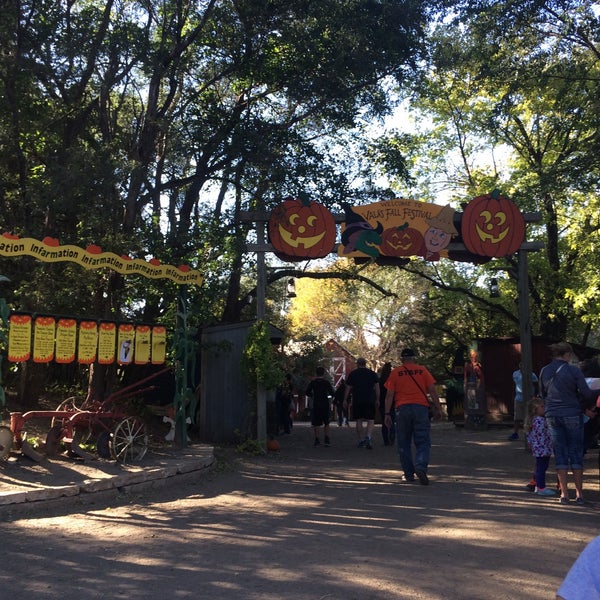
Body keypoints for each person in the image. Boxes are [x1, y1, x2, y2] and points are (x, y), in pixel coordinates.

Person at [539, 341, 600, 505]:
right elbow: (586, 394)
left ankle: (564, 494)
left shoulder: (544, 371)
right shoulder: (574, 370)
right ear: (567, 355)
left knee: (560, 453)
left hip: (552, 415)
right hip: (572, 414)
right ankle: (579, 495)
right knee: (575, 453)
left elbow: (542, 394)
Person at [383, 348, 443, 485]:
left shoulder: (395, 373)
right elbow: (432, 390)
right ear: (414, 358)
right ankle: (421, 466)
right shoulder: (422, 370)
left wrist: (387, 413)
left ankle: (409, 474)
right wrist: (438, 408)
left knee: (403, 442)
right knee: (423, 440)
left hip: (402, 409)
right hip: (420, 408)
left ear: (402, 359)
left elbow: (389, 395)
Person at [343, 357, 379, 449]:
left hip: (358, 399)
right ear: (365, 363)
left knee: (359, 420)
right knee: (370, 420)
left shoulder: (353, 374)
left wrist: (345, 399)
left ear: (357, 364)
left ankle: (361, 440)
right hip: (370, 399)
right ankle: (368, 436)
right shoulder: (372, 374)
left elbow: (348, 388)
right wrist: (378, 399)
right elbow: (377, 388)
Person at [525, 397, 555, 496]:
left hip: (539, 448)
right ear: (535, 409)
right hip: (543, 447)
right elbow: (545, 434)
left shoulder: (533, 420)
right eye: (542, 406)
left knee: (540, 467)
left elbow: (529, 435)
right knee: (541, 468)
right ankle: (541, 488)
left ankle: (538, 485)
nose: (544, 408)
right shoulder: (540, 421)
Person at [305, 366, 334, 447]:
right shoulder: (326, 383)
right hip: (325, 403)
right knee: (326, 422)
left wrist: (312, 395)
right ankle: (327, 439)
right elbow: (332, 393)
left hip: (316, 404)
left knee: (317, 423)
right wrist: (329, 397)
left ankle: (317, 439)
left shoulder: (313, 383)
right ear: (323, 373)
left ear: (316, 373)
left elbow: (307, 392)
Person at [509, 362, 539, 440]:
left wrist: (534, 396)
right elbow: (514, 384)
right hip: (518, 397)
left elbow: (536, 385)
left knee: (529, 416)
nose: (522, 367)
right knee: (517, 417)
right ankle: (515, 433)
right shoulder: (515, 374)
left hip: (529, 397)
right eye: (520, 365)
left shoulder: (532, 374)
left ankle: (530, 433)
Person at [378, 362, 394, 445]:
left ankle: (386, 440)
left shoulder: (380, 380)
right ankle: (392, 434)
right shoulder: (392, 379)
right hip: (392, 402)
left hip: (382, 402)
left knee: (384, 421)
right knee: (393, 420)